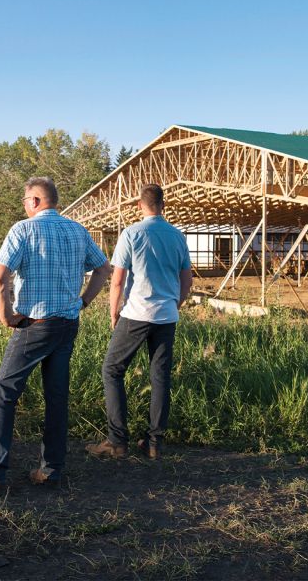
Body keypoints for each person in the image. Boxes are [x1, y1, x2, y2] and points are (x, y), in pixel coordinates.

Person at [0, 176, 111, 493]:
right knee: (56, 397)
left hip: (35, 324)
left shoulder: (23, 230)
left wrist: (6, 316)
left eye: (25, 201)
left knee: (4, 393)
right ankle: (51, 470)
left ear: (35, 201)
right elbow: (102, 269)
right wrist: (84, 301)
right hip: (67, 323)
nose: (24, 207)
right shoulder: (77, 230)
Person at [86, 184, 192, 460]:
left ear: (139, 205)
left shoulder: (132, 233)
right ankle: (154, 443)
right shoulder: (177, 236)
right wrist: (174, 303)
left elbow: (117, 279)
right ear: (163, 205)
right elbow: (186, 279)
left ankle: (117, 441)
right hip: (166, 316)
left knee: (112, 370)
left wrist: (114, 312)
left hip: (136, 313)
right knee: (160, 377)